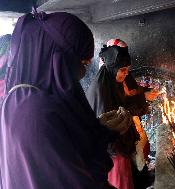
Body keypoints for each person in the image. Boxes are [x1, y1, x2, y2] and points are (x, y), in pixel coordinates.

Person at [0, 11, 131, 189]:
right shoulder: (36, 112)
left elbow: (65, 151)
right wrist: (102, 140)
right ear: (56, 59)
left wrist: (99, 130)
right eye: (82, 63)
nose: (82, 73)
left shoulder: (22, 98)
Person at [87, 40, 159, 189]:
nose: (126, 73)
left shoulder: (117, 80)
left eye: (128, 69)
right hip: (111, 146)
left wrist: (141, 97)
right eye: (123, 70)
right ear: (113, 68)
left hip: (121, 135)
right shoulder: (101, 89)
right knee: (121, 177)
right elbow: (107, 123)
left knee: (136, 159)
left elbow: (129, 98)